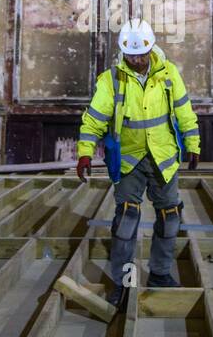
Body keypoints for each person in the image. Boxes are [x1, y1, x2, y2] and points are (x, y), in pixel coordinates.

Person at [76, 18, 200, 306]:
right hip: (129, 160)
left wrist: (193, 143)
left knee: (170, 218)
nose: (136, 60)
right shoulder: (111, 79)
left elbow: (184, 110)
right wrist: (85, 151)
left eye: (141, 54)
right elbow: (94, 119)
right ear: (123, 52)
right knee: (127, 220)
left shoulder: (169, 74)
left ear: (151, 48)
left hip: (163, 158)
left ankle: (159, 275)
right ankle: (122, 282)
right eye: (130, 55)